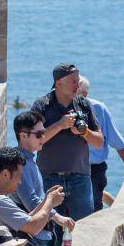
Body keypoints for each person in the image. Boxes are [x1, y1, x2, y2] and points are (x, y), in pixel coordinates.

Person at [32, 64, 104, 220]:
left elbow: (99, 142)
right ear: (58, 83)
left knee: (84, 231)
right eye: (73, 81)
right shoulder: (42, 106)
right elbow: (33, 142)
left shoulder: (84, 104)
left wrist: (84, 132)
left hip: (80, 179)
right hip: (49, 179)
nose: (77, 85)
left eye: (78, 81)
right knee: (51, 234)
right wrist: (60, 125)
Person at [76, 75, 124, 215]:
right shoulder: (60, 108)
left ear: (84, 94)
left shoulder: (98, 109)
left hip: (93, 169)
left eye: (74, 90)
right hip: (68, 168)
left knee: (92, 210)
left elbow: (117, 141)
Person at [12, 110, 63, 246]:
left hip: (39, 233)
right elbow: (31, 202)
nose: (43, 137)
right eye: (39, 133)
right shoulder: (21, 163)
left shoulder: (29, 161)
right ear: (23, 135)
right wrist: (57, 216)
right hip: (34, 236)